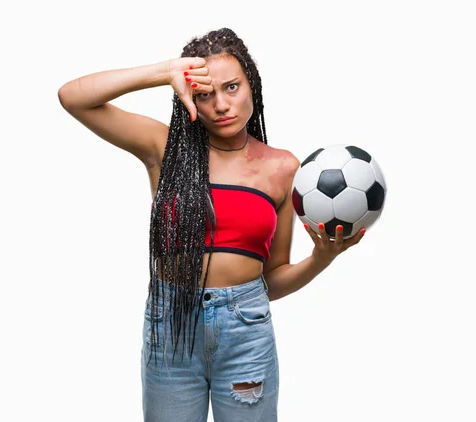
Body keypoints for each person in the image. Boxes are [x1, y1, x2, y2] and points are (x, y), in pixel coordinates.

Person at [58, 27, 365, 422]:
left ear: (252, 85)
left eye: (232, 87)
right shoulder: (164, 147)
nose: (221, 105)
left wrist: (322, 258)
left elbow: (271, 281)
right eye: (205, 94)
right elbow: (73, 97)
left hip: (245, 331)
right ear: (189, 99)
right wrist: (165, 71)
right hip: (171, 328)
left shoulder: (283, 168)